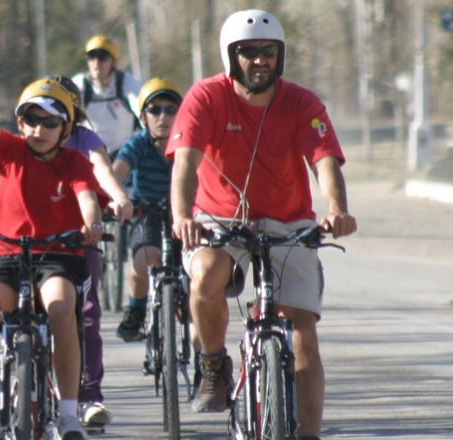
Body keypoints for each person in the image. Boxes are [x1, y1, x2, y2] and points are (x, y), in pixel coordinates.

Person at [167, 10, 357, 440]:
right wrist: (182, 218)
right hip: (220, 218)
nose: (259, 61)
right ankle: (213, 365)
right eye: (248, 52)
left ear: (280, 57)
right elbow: (185, 167)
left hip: (289, 223)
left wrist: (337, 209)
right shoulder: (205, 97)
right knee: (205, 277)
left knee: (303, 334)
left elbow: (325, 161)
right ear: (230, 57)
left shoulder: (302, 102)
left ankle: (308, 433)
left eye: (268, 52)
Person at [0, 19, 103, 440]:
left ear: (66, 129)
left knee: (61, 312)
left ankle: (69, 413)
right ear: (20, 125)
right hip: (3, 255)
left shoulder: (74, 162)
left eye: (49, 122)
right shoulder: (9, 151)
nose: (38, 129)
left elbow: (88, 198)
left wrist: (92, 224)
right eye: (30, 120)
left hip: (58, 257)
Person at [46, 75, 134, 427]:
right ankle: (24, 385)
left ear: (75, 110)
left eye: (62, 106)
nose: (51, 118)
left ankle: (89, 397)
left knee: (87, 316)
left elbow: (102, 169)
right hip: (36, 242)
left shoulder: (86, 140)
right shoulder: (31, 139)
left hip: (81, 240)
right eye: (45, 108)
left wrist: (119, 197)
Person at [110, 78, 182, 342]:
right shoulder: (137, 144)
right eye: (155, 110)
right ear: (143, 117)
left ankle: (206, 366)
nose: (163, 116)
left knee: (198, 283)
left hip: (184, 216)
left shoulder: (190, 143)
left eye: (171, 110)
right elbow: (116, 173)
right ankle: (136, 309)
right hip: (147, 213)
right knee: (144, 257)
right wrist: (114, 198)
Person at [72, 35, 143, 152]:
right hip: (90, 153)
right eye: (91, 57)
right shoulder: (79, 84)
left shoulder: (127, 83)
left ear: (114, 62)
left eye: (103, 57)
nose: (96, 62)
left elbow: (143, 113)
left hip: (124, 153)